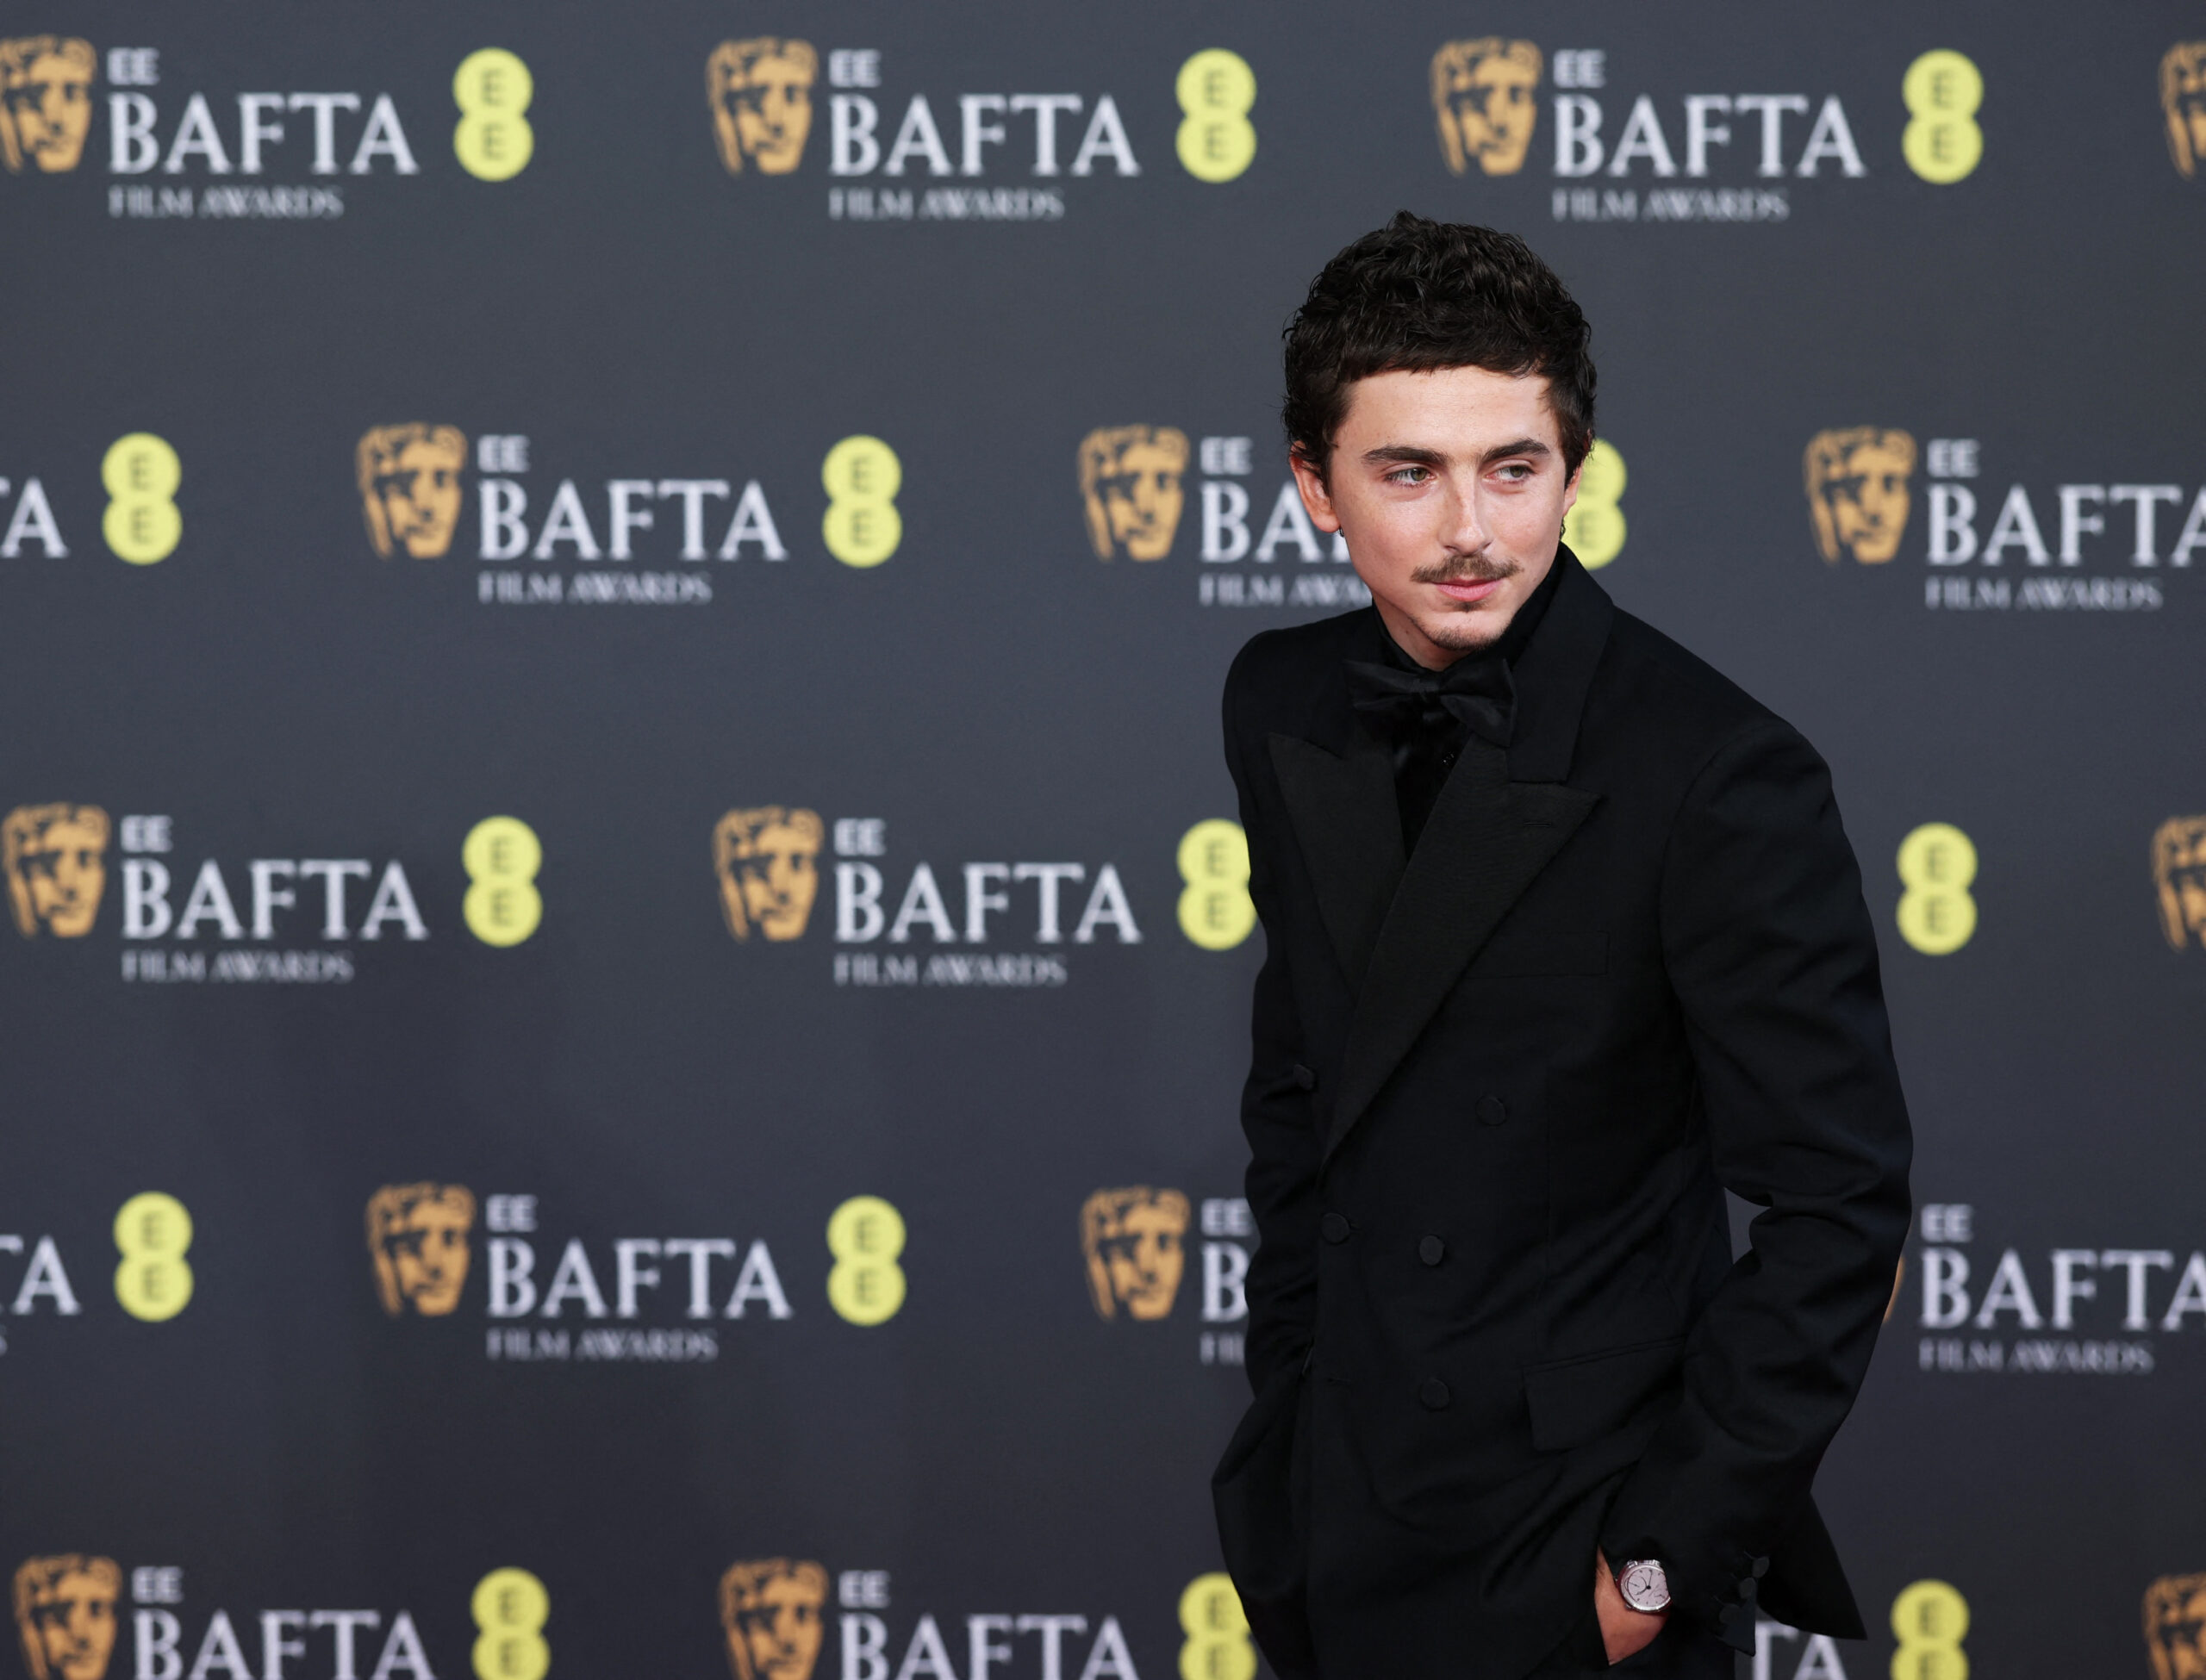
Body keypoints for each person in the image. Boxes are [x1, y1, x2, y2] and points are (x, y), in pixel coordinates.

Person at [1210, 214, 1912, 1678]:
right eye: (1409, 470)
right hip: (1336, 1528)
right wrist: (1283, 1435)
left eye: (1512, 468)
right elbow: (1304, 1100)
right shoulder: (1281, 701)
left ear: (1573, 474)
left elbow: (1839, 1206)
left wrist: (1653, 1564)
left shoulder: (1716, 767)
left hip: (1569, 1543)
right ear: (1313, 488)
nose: (1471, 527)